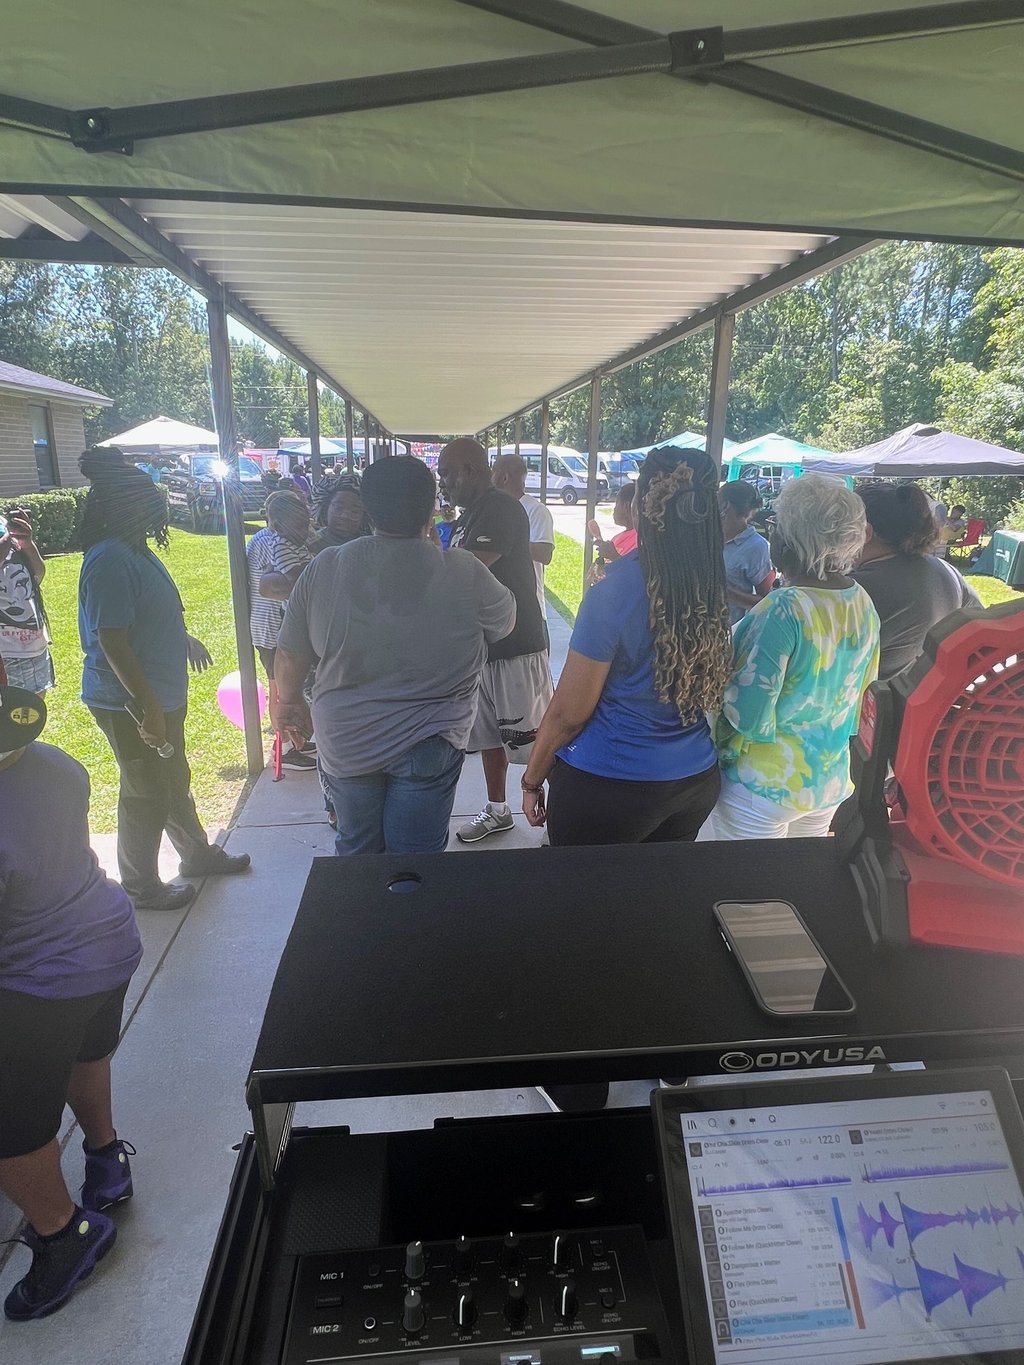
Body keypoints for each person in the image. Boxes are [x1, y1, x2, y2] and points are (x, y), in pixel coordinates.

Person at [274, 456, 515, 855]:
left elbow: (289, 652)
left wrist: (289, 700)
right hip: (432, 738)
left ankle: (361, 916)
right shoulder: (462, 568)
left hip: (346, 738)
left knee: (356, 847)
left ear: (369, 509)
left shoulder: (327, 565)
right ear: (431, 508)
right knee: (415, 861)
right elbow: (504, 622)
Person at [0, 687, 140, 1321]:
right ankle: (106, 1156)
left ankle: (65, 1236)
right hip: (108, 945)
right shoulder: (55, 763)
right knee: (88, 1056)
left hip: (38, 984)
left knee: (12, 1131)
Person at [521, 445, 729, 847]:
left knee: (583, 903)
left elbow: (568, 714)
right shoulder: (709, 587)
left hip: (609, 786)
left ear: (641, 508)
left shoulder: (615, 589)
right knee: (652, 901)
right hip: (693, 781)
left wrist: (532, 780)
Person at [77, 449, 250, 912]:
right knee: (144, 790)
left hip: (157, 694)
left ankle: (196, 855)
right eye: (148, 497)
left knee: (171, 777)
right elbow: (112, 641)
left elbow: (142, 618)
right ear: (126, 506)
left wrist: (183, 638)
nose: (159, 502)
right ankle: (140, 885)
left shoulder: (134, 550)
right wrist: (149, 707)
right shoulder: (110, 558)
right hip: (129, 700)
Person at [711, 474, 880, 840]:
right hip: (826, 780)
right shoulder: (861, 602)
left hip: (762, 785)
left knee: (744, 892)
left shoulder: (785, 607)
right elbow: (861, 704)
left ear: (792, 540)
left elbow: (748, 714)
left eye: (776, 526)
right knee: (795, 885)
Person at [437, 439, 553, 843]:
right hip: (483, 648)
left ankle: (560, 811)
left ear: (470, 469)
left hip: (516, 645)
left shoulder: (501, 508)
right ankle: (498, 809)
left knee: (535, 738)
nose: (444, 482)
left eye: (447, 473)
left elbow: (464, 572)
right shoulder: (470, 515)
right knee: (488, 736)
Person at [852, 483, 979, 681]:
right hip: (931, 703)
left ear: (865, 533)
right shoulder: (947, 570)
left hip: (875, 707)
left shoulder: (857, 589)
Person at [246, 490, 318, 770]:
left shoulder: (276, 539)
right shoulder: (273, 542)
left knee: (290, 687)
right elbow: (285, 583)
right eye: (298, 523)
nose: (304, 530)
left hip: (277, 626)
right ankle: (285, 749)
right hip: (272, 628)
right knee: (282, 690)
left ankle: (294, 739)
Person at [491, 452, 555, 631]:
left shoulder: (536, 510)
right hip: (501, 608)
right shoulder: (493, 509)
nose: (490, 475)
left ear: (504, 477)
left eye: (493, 470)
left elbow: (545, 553)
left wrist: (504, 542)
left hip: (528, 610)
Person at [0, 507, 54, 694]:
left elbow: (37, 576)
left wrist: (26, 544)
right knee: (12, 718)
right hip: (7, 654)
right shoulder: (5, 534)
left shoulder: (4, 525)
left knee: (33, 715)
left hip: (33, 647)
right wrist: (6, 539)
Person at [719, 481, 774, 625]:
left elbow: (768, 603)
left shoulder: (757, 547)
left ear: (725, 505)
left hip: (729, 633)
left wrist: (727, 593)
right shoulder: (710, 537)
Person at [310, 470, 369, 548]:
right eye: (338, 508)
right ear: (325, 510)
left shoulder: (370, 546)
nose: (345, 516)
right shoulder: (312, 545)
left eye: (355, 511)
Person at [588, 481, 637, 564]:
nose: (614, 509)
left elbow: (634, 572)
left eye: (617, 503)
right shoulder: (616, 538)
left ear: (626, 506)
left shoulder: (639, 540)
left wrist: (614, 556)